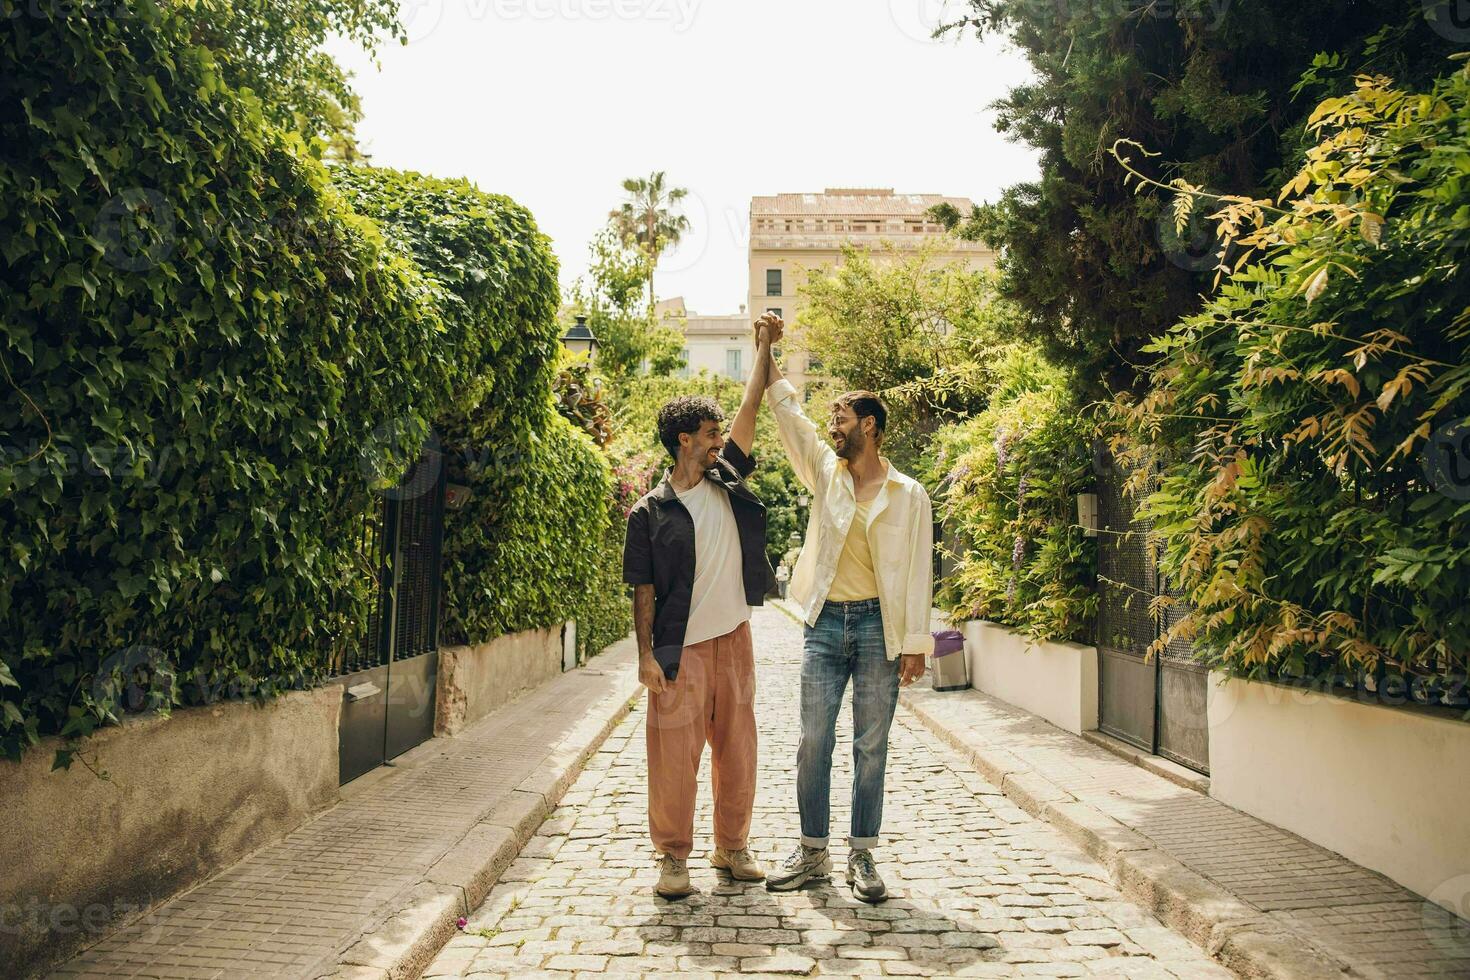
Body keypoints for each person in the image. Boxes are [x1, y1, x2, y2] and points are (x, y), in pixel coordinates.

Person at [754, 313, 934, 904]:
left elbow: (917, 572)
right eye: (831, 417)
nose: (832, 426)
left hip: (882, 628)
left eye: (842, 418)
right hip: (826, 622)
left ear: (871, 426)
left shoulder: (909, 495)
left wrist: (915, 642)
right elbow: (786, 411)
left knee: (871, 746)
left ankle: (862, 856)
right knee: (813, 740)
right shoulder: (826, 474)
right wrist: (765, 347)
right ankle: (811, 852)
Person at [621, 321, 778, 898]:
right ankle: (672, 858)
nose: (719, 441)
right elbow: (641, 588)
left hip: (733, 639)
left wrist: (763, 351)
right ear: (683, 439)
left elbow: (749, 405)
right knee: (672, 760)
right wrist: (645, 655)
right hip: (678, 649)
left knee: (738, 752)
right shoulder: (649, 512)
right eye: (710, 434)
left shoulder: (727, 478)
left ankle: (731, 847)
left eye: (719, 433)